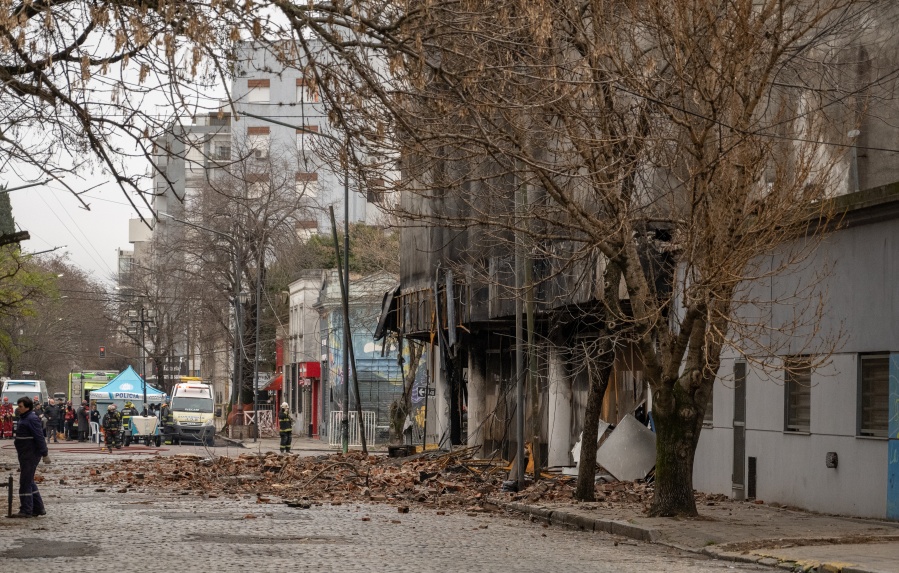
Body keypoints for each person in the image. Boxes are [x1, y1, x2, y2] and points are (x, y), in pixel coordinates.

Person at [11, 396, 49, 518]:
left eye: (20, 406)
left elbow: (39, 437)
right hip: (25, 454)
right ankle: (38, 508)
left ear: (27, 407)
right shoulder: (24, 418)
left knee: (25, 482)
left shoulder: (31, 419)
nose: (18, 408)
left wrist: (45, 453)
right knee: (29, 481)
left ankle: (26, 510)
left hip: (30, 454)